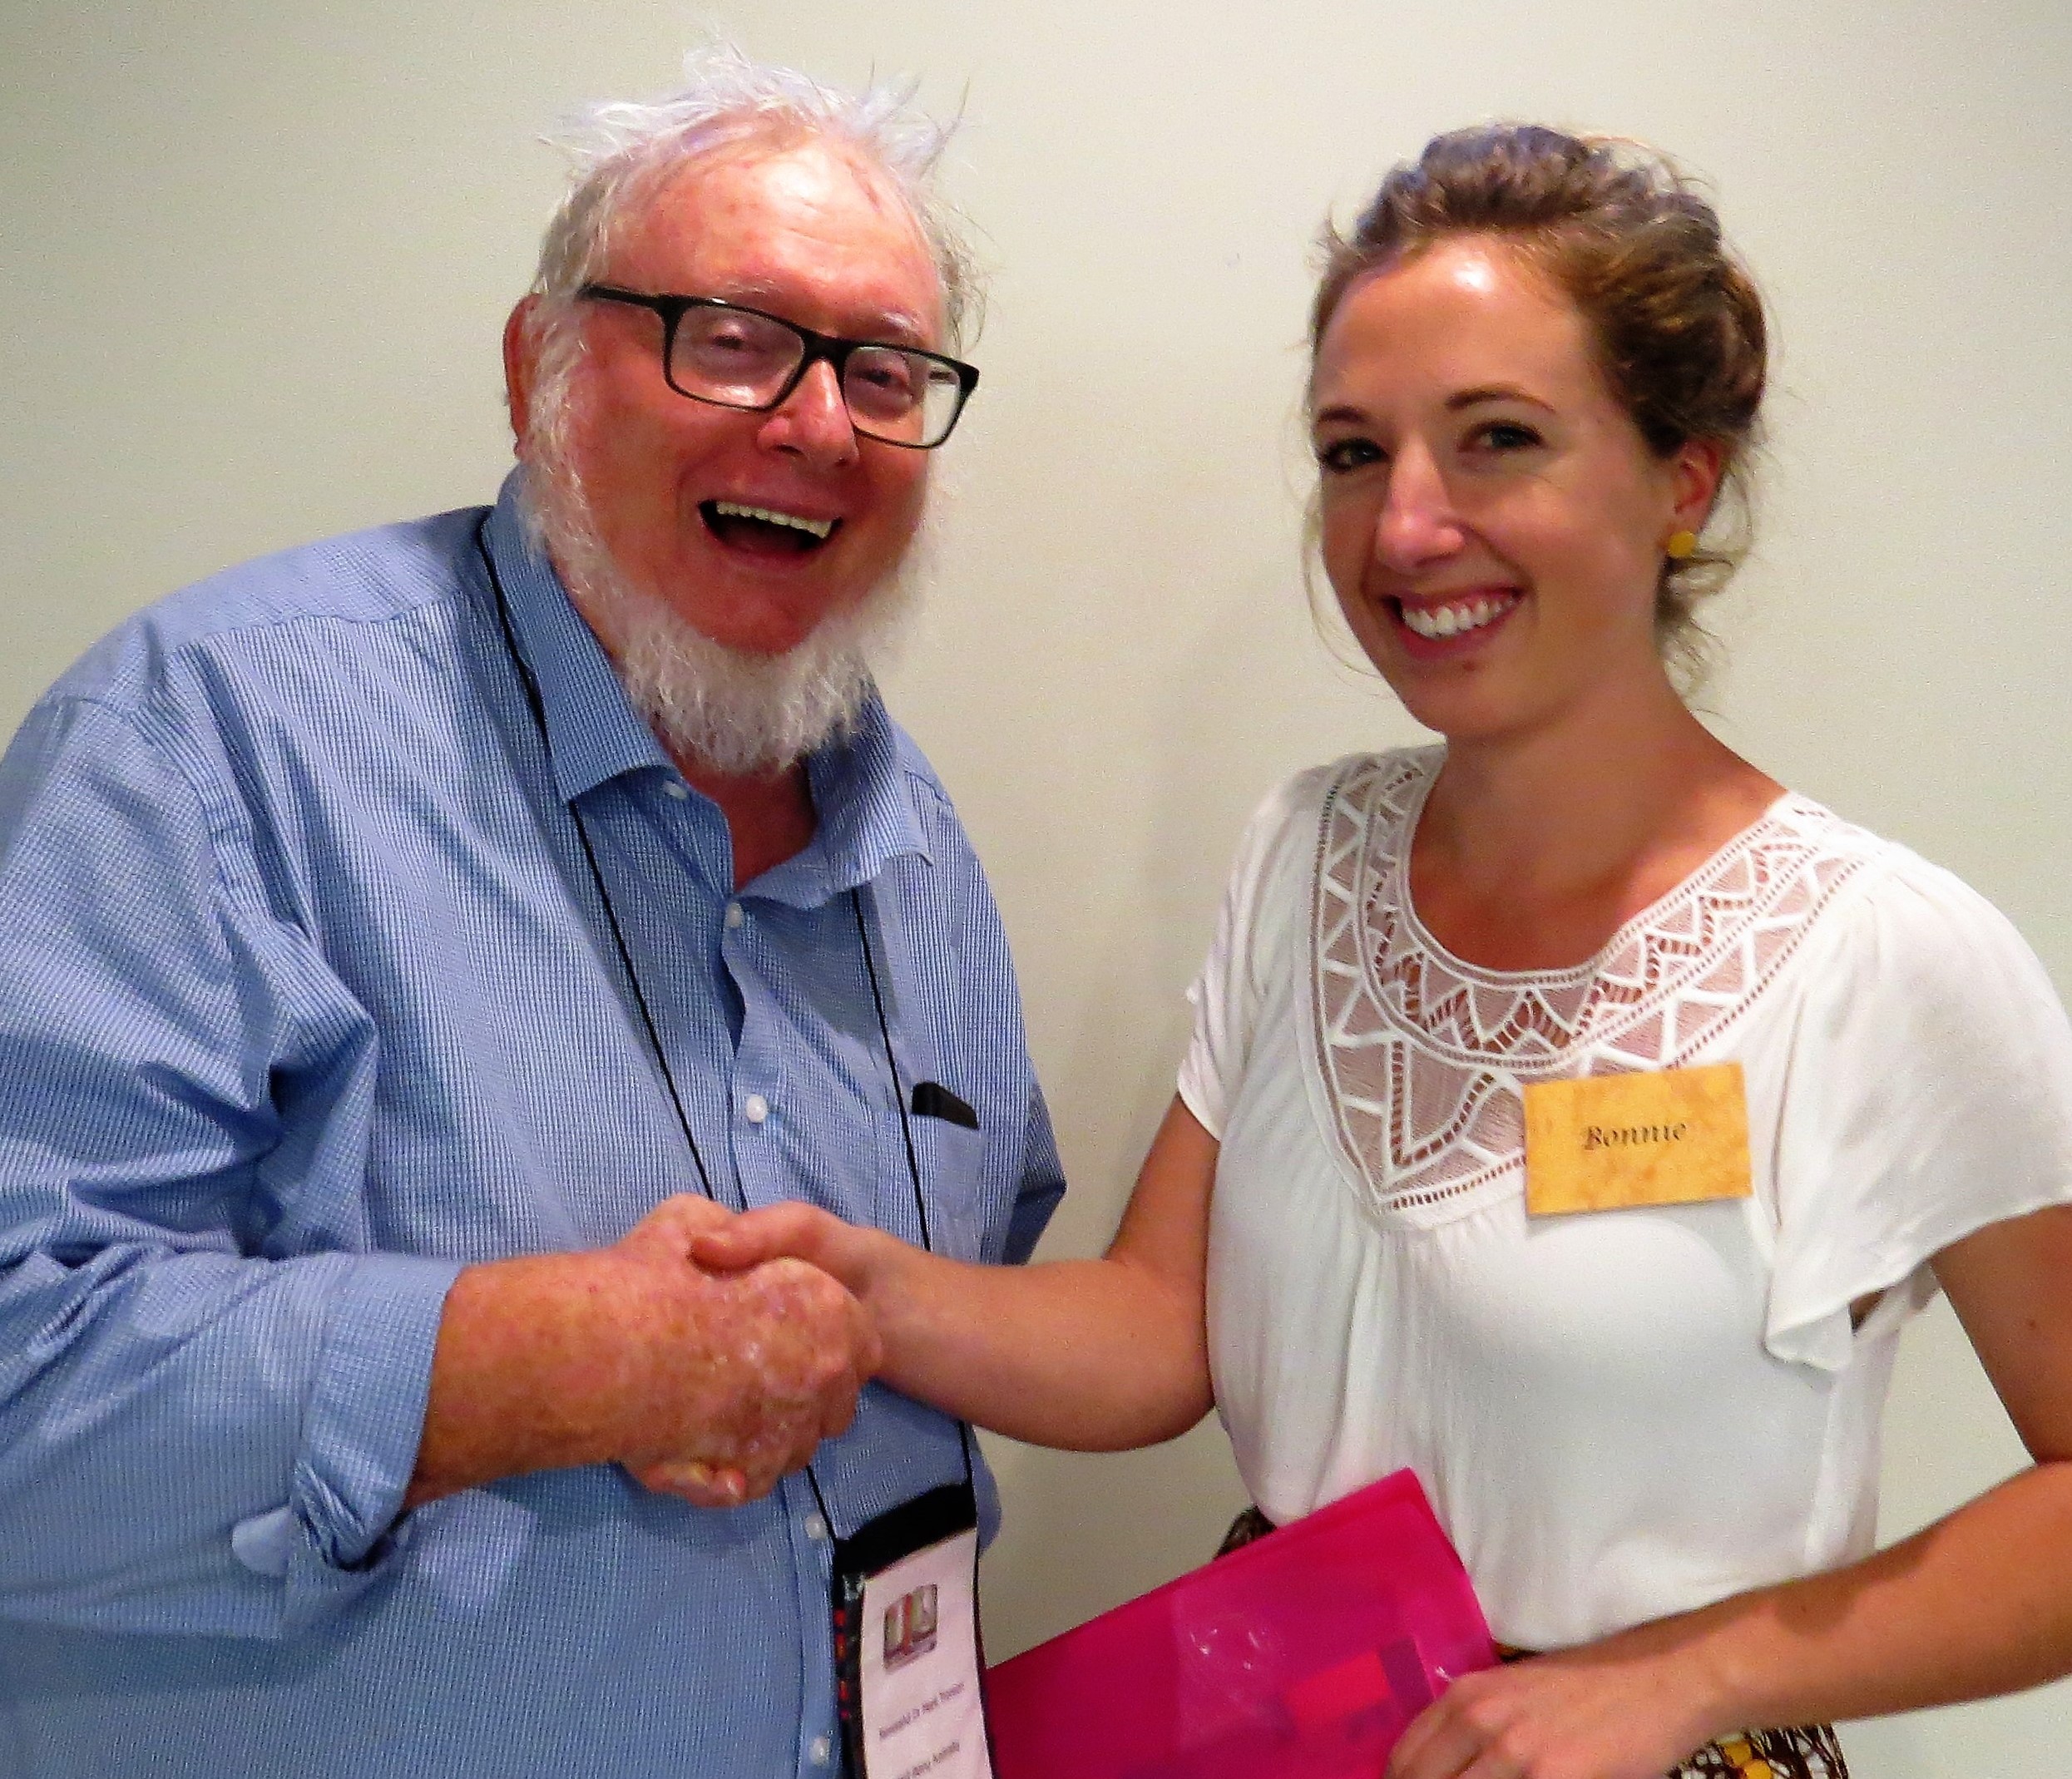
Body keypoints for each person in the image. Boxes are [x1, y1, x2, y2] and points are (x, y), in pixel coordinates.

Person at [697, 125, 2072, 1777]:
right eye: (1354, 452)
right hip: (1287, 1733)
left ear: (1682, 482)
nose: (1405, 526)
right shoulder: (1312, 850)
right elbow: (1162, 1326)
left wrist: (1677, 1678)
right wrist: (868, 1300)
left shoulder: (1878, 957)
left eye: (1499, 440)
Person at [0, 47, 1063, 1779]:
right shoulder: (206, 741)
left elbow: (982, 1330)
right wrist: (532, 1365)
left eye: (882, 371)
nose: (817, 425)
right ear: (539, 371)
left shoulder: (915, 842)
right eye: (733, 336)